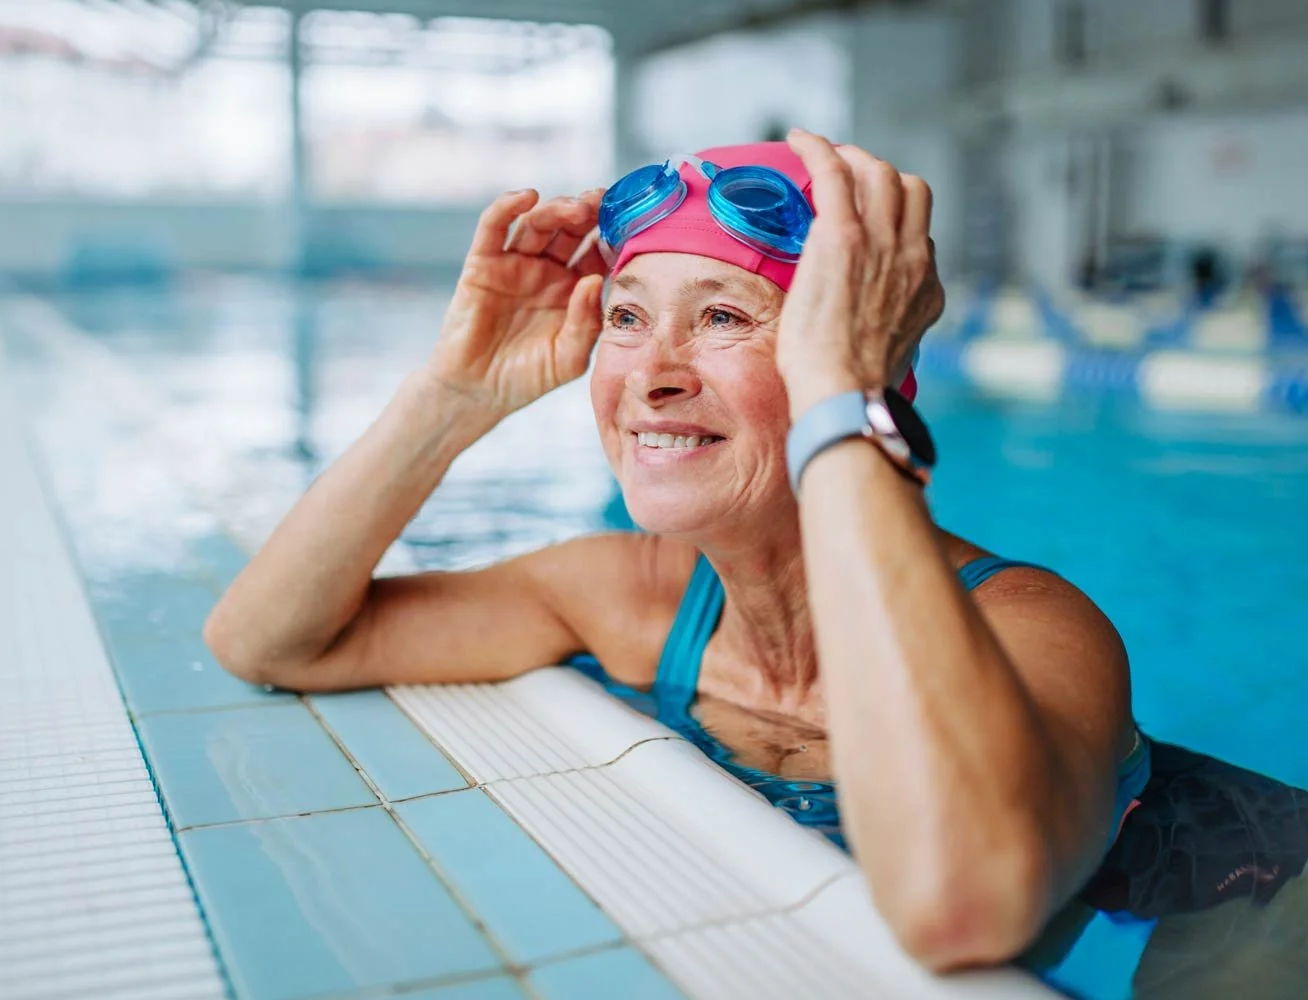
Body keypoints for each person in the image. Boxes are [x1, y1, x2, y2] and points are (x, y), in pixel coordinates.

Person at [203, 131, 1150, 970]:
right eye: (628, 317)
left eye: (724, 318)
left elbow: (962, 906)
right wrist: (457, 395)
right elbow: (273, 641)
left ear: (862, 368)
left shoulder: (1032, 629)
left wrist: (841, 397)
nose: (651, 377)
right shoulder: (632, 597)